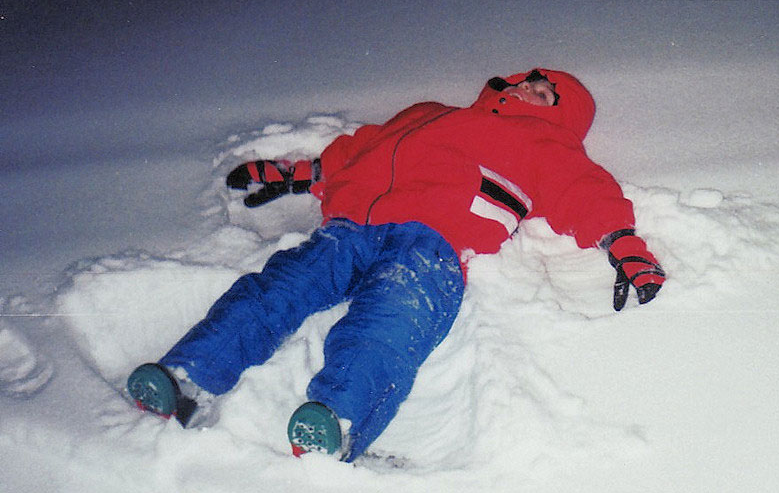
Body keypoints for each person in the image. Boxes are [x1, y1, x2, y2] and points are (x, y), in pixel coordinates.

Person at [125, 69, 665, 461]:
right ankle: (186, 377)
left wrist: (622, 244)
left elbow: (586, 193)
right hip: (350, 227)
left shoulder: (545, 144)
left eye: (546, 93)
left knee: (386, 326)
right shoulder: (430, 114)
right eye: (530, 80)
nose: (528, 89)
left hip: (434, 245)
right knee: (275, 290)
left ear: (560, 115)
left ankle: (337, 421)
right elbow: (361, 148)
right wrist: (295, 174)